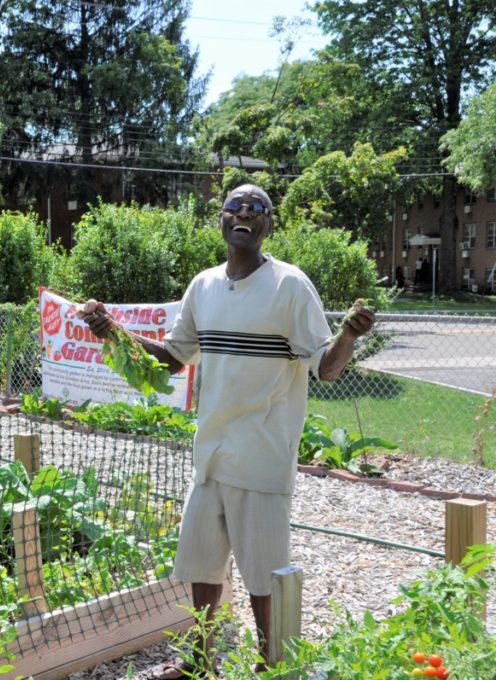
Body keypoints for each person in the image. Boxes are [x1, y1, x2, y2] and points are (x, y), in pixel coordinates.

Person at [78, 184, 374, 678]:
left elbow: (325, 368)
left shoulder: (290, 286)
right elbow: (173, 357)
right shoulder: (204, 286)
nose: (245, 214)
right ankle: (199, 660)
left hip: (262, 454)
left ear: (269, 225)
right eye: (235, 206)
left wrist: (347, 335)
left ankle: (271, 664)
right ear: (220, 219)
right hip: (211, 450)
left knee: (264, 575)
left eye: (257, 209)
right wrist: (113, 331)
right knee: (202, 567)